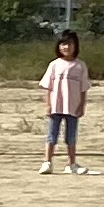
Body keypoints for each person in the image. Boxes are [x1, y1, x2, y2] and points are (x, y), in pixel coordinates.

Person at [38, 28, 88, 173]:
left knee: (71, 136)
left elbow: (84, 88)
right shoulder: (54, 65)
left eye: (69, 44)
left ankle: (71, 163)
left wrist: (81, 106)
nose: (66, 47)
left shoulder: (80, 66)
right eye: (63, 44)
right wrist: (48, 104)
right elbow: (48, 86)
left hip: (72, 107)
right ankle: (47, 162)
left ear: (75, 46)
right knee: (52, 135)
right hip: (56, 107)